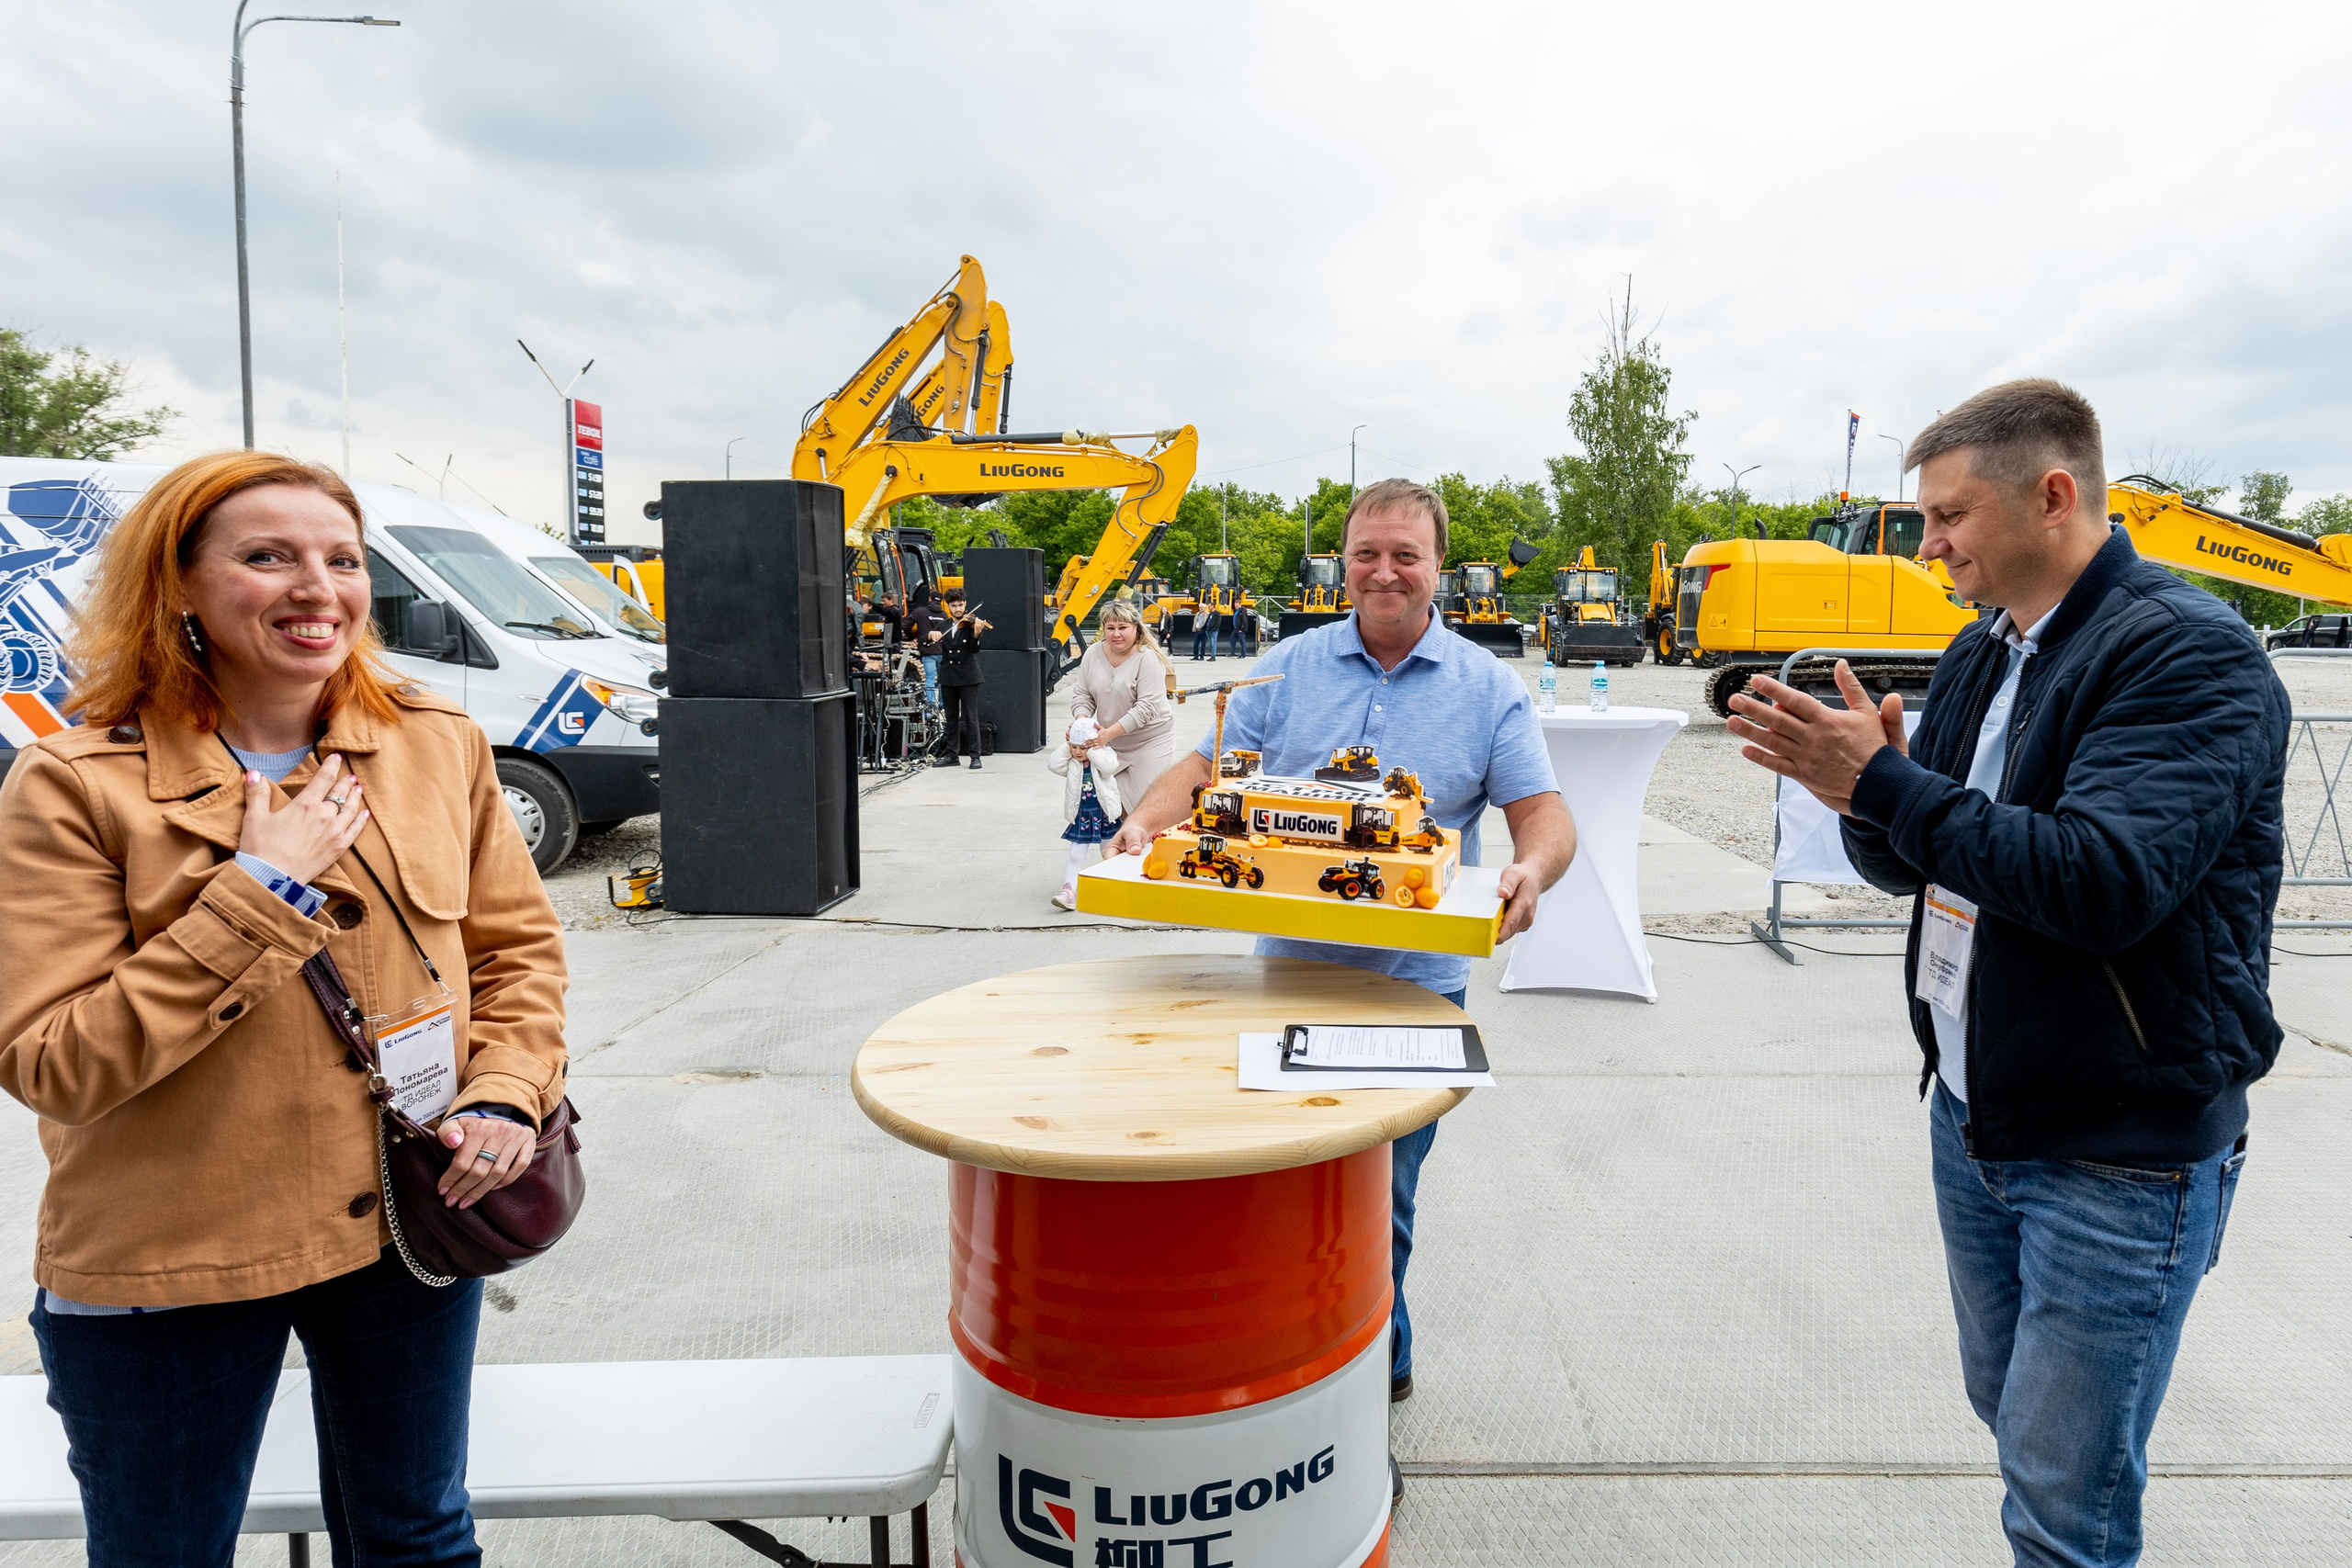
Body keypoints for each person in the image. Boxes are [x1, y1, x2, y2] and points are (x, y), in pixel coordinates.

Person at [1727, 379, 2290, 1568]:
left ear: (2051, 495)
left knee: (2060, 1493)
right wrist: (1867, 794)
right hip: (1980, 1115)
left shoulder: (2189, 653)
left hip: (2115, 1149)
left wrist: (1887, 786)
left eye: (1947, 516)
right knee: (2014, 1413)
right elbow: (1923, 857)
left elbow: (2101, 879)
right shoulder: (1984, 651)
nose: (1928, 545)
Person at [0, 450, 569, 1566]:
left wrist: (505, 1094)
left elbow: (517, 956)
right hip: (170, 1259)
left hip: (404, 1227)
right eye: (268, 558)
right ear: (179, 589)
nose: (319, 588)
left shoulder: (431, 744)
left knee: (416, 1535)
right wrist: (262, 893)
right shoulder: (72, 785)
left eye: (342, 560)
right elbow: (52, 1061)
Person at [1109, 477, 1576, 1434]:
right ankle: (1290, 1359)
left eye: (1405, 553)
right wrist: (1139, 825)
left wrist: (1532, 869)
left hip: (1415, 991)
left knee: (1380, 1195)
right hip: (1288, 977)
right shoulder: (1285, 666)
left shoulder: (1489, 687)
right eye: (1367, 552)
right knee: (1284, 1184)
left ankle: (1369, 1370)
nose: (1383, 571)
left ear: (1438, 566)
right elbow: (1205, 773)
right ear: (1344, 562)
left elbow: (1542, 813)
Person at [1055, 599, 1175, 908]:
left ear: (1136, 629)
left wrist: (1107, 733)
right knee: (1114, 809)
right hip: (1107, 743)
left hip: (1150, 740)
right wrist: (1082, 722)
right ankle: (1122, 873)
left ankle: (1159, 873)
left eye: (1123, 627)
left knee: (1145, 807)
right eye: (1111, 628)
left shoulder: (1147, 659)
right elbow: (1081, 695)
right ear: (1103, 629)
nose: (1117, 634)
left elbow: (1147, 707)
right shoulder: (1093, 654)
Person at [936, 589, 991, 770]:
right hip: (948, 677)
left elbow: (974, 649)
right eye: (954, 606)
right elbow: (923, 641)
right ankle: (952, 754)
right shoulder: (943, 626)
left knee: (970, 717)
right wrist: (929, 635)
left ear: (965, 604)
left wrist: (976, 633)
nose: (958, 609)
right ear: (948, 606)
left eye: (960, 605)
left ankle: (975, 756)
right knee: (951, 718)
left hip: (968, 677)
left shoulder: (971, 624)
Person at [907, 585, 949, 707]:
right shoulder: (945, 615)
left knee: (929, 679)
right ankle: (942, 704)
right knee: (942, 680)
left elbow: (905, 625)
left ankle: (931, 705)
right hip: (942, 651)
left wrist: (911, 637)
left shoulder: (920, 612)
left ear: (929, 599)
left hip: (928, 652)